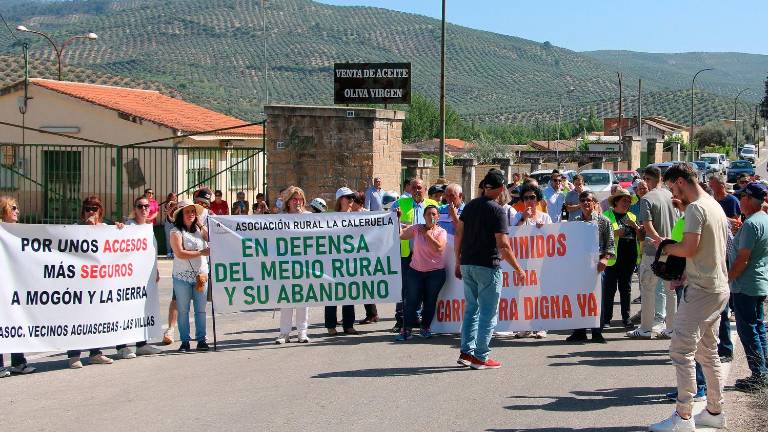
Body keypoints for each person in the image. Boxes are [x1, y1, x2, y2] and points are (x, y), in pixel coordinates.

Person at [648, 163, 730, 432]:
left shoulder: (696, 208)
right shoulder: (713, 204)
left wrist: (667, 247)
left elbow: (690, 248)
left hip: (702, 290)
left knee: (681, 350)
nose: (674, 194)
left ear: (681, 182)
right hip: (717, 286)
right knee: (708, 352)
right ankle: (715, 411)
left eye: (673, 188)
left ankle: (683, 417)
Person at [455, 169, 524, 369]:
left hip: (467, 262)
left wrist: (457, 260)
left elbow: (459, 233)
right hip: (487, 265)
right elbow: (503, 245)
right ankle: (480, 356)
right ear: (502, 188)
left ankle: (466, 352)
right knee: (487, 312)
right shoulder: (498, 210)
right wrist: (518, 268)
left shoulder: (470, 206)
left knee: (471, 310)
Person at [66, 197, 123, 368]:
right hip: (79, 282)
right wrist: (88, 228)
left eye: (95, 209)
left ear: (100, 211)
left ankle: (95, 352)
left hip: (98, 283)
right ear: (83, 212)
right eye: (88, 208)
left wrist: (120, 229)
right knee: (77, 319)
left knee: (96, 318)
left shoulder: (105, 229)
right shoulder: (75, 229)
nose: (91, 212)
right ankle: (74, 355)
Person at [629, 165, 679, 340]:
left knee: (648, 289)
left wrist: (658, 240)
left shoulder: (647, 199)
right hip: (673, 248)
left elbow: (648, 225)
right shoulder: (671, 195)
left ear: (648, 179)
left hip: (653, 250)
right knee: (670, 291)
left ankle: (646, 328)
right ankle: (671, 328)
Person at [729, 182, 768, 392]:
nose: (740, 202)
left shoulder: (752, 223)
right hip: (758, 281)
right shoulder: (762, 219)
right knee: (758, 327)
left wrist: (728, 279)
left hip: (745, 283)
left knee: (749, 330)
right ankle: (763, 371)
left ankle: (759, 374)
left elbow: (743, 259)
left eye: (742, 198)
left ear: (748, 199)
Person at [115, 196, 163, 357]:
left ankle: (141, 344)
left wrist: (155, 269)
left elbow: (152, 252)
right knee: (125, 309)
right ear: (134, 209)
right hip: (127, 277)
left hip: (145, 277)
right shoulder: (128, 226)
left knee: (142, 309)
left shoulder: (148, 228)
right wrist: (118, 228)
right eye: (140, 206)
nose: (143, 209)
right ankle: (121, 346)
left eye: (146, 206)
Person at [390, 179, 439, 333]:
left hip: (427, 255)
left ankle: (419, 320)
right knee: (406, 288)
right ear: (409, 189)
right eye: (414, 188)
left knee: (425, 289)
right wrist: (395, 217)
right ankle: (402, 320)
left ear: (425, 189)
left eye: (419, 188)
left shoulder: (433, 204)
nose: (417, 190)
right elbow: (388, 221)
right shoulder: (400, 203)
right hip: (407, 253)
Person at [566, 191, 615, 343]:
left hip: (597, 266)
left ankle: (596, 332)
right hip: (579, 266)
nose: (586, 203)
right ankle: (579, 331)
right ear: (579, 203)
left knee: (597, 299)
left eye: (588, 200)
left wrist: (605, 259)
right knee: (579, 298)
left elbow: (610, 245)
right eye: (583, 200)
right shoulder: (574, 222)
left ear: (594, 202)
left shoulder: (604, 221)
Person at [397, 205, 447, 341]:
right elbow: (401, 235)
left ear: (438, 217)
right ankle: (406, 329)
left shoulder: (441, 232)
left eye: (434, 214)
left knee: (429, 301)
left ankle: (425, 328)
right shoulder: (417, 228)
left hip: (435, 273)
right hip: (415, 271)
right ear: (424, 216)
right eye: (429, 214)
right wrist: (397, 219)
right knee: (411, 301)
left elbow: (440, 248)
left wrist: (428, 235)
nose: (431, 216)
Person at [0, 196, 36, 376]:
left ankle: (18, 362)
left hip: (15, 285)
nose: (17, 211)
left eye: (17, 208)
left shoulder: (19, 232)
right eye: (13, 208)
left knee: (15, 321)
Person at [169, 199, 210, 352]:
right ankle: (185, 341)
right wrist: (201, 252)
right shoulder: (176, 232)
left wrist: (200, 224)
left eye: (193, 211)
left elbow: (210, 238)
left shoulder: (200, 230)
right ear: (181, 215)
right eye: (187, 212)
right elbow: (179, 253)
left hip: (201, 275)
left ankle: (201, 340)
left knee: (200, 310)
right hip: (182, 277)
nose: (191, 214)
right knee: (183, 309)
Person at [276, 186, 312, 343]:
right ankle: (284, 333)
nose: (298, 202)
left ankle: (302, 332)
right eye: (294, 199)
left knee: (303, 300)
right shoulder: (280, 218)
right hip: (286, 265)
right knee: (286, 300)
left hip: (304, 265)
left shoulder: (310, 217)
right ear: (288, 202)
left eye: (300, 199)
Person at [602, 187, 639, 329]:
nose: (627, 203)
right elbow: (600, 235)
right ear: (616, 201)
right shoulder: (606, 215)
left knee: (626, 289)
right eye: (624, 200)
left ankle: (626, 318)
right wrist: (615, 233)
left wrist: (636, 227)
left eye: (629, 201)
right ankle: (606, 319)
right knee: (609, 290)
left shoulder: (632, 217)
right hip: (611, 259)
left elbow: (639, 236)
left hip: (628, 259)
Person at [325, 188, 359, 335]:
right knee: (332, 294)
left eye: (353, 198)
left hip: (350, 261)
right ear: (340, 200)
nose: (351, 200)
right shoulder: (329, 218)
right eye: (348, 197)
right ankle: (331, 325)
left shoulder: (359, 217)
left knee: (349, 293)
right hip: (332, 261)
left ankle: (348, 325)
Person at [162, 194, 179, 344]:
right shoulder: (176, 226)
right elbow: (171, 218)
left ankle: (202, 333)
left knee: (201, 303)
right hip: (181, 271)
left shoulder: (202, 222)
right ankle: (171, 329)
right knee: (176, 299)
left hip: (201, 268)